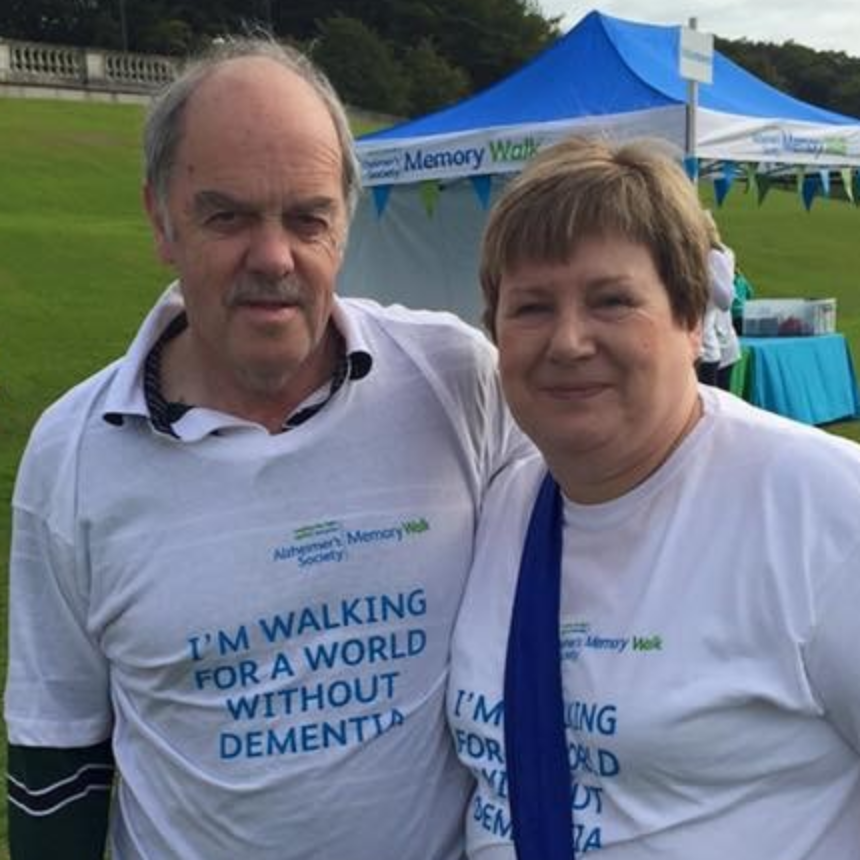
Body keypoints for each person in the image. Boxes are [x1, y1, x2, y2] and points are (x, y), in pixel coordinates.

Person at [4, 37, 530, 860]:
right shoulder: (72, 454)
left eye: (307, 217)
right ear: (161, 220)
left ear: (345, 223)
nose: (274, 258)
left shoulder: (458, 379)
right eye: (229, 216)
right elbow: (56, 756)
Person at [447, 136, 860, 859]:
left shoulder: (821, 510)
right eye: (532, 308)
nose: (569, 341)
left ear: (692, 316)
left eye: (612, 301)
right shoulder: (500, 509)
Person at [697, 211, 737, 387]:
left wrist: (705, 272)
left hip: (708, 350)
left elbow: (725, 301)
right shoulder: (683, 256)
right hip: (690, 351)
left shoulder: (715, 257)